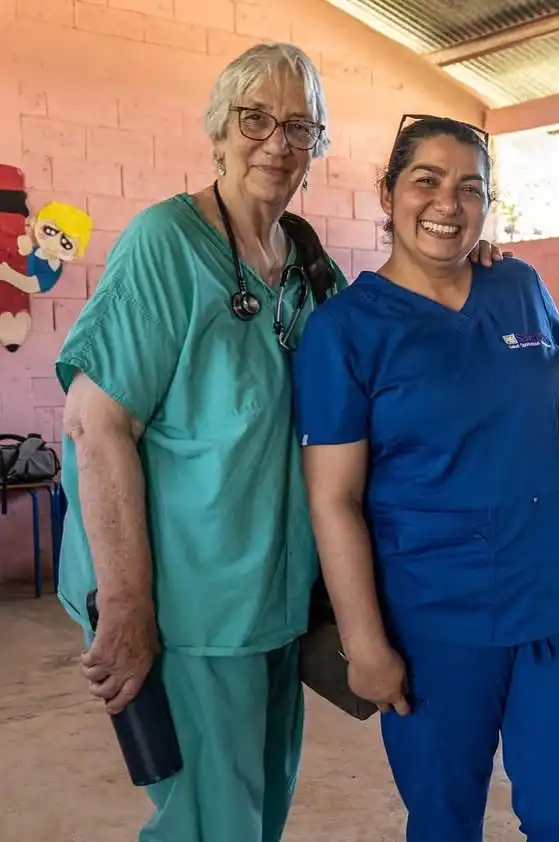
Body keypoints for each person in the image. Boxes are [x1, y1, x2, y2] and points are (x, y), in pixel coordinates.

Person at [54, 43, 501, 842]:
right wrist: (125, 604)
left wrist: (471, 265)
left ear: (318, 145)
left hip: (274, 597)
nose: (277, 141)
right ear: (219, 131)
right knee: (210, 821)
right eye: (254, 118)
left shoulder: (305, 260)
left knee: (258, 811)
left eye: (300, 125)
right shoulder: (166, 243)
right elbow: (96, 421)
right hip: (187, 603)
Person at [292, 114, 559, 842]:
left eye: (470, 188)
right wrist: (365, 644)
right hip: (431, 618)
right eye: (426, 181)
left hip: (556, 601)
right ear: (389, 190)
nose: (448, 203)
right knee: (444, 817)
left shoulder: (520, 287)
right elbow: (332, 498)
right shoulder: (347, 330)